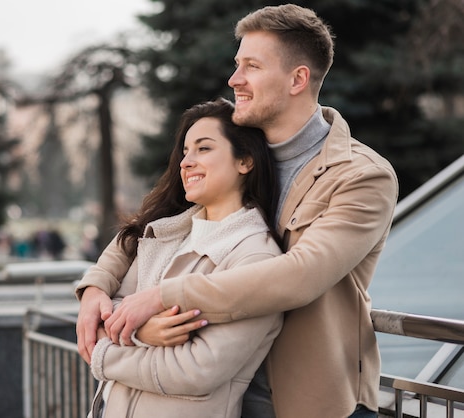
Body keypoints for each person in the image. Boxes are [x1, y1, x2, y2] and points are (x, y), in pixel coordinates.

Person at [76, 4, 399, 418]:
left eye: (251, 66)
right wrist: (97, 288)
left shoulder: (362, 176)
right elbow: (157, 224)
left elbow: (300, 275)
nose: (234, 79)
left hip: (305, 402)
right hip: (218, 401)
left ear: (298, 79)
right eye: (236, 64)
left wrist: (161, 298)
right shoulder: (232, 147)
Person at [84, 98, 283, 418]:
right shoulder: (163, 235)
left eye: (203, 149)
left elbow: (197, 369)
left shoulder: (255, 256)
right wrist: (140, 331)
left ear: (245, 161)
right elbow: (108, 314)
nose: (186, 162)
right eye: (186, 151)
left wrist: (104, 353)